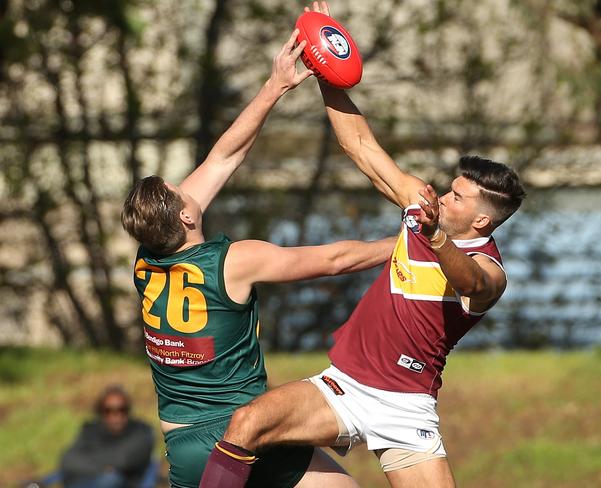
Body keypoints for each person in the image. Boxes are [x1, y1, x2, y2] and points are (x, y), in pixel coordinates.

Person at [199, 3, 527, 488]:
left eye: (457, 196)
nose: (443, 194)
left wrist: (433, 235)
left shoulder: (489, 269)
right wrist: (325, 59)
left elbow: (471, 280)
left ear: (481, 218)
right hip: (345, 385)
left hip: (406, 408)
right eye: (449, 187)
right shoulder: (422, 201)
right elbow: (360, 146)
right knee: (247, 424)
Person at [121, 27, 404, 488]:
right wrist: (405, 243)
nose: (186, 185)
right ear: (188, 216)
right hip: (242, 431)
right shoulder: (234, 262)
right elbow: (334, 260)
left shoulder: (147, 255)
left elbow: (225, 156)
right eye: (179, 190)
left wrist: (275, 86)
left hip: (182, 439)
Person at [59, 385, 154, 488]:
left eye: (122, 409)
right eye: (108, 410)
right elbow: (68, 460)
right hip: (89, 481)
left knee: (110, 480)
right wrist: (104, 468)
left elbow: (123, 459)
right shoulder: (90, 430)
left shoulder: (141, 431)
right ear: (100, 412)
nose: (116, 416)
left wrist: (90, 459)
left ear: (128, 410)